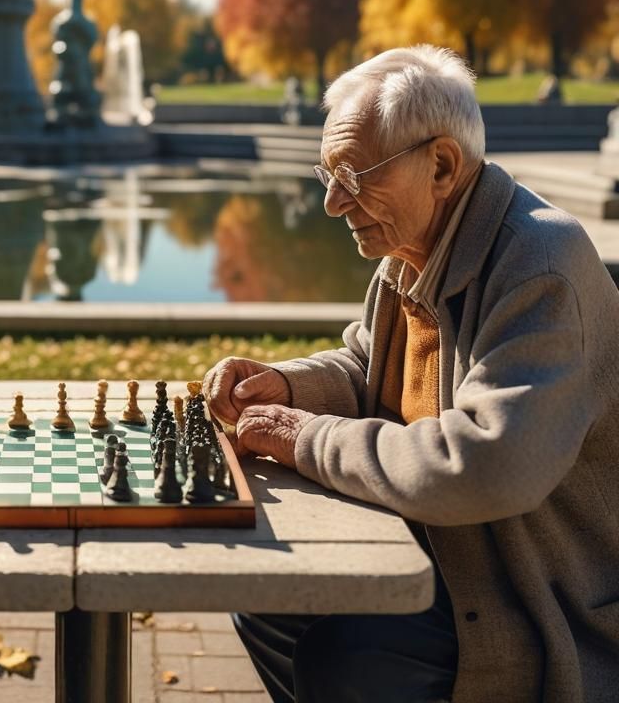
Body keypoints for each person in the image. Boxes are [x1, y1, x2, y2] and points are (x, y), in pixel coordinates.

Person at [204, 45, 619, 703]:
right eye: (327, 175)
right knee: (263, 601)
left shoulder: (542, 266)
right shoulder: (411, 248)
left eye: (355, 176)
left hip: (536, 607)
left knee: (349, 659)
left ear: (443, 166)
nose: (335, 204)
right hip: (447, 557)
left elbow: (485, 466)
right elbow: (371, 367)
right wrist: (287, 386)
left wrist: (303, 435)